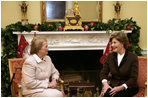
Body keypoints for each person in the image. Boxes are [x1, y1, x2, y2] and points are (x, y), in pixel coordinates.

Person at [100, 31, 139, 97]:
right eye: (111, 43)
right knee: (107, 95)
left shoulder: (132, 57)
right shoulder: (110, 56)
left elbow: (133, 78)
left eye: (115, 43)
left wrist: (121, 87)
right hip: (114, 85)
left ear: (122, 43)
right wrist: (105, 84)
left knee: (116, 96)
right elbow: (103, 73)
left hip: (128, 87)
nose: (112, 45)